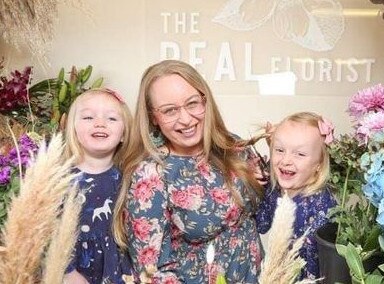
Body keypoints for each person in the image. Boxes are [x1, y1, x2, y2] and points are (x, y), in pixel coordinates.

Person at [113, 60, 264, 283]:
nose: (185, 119)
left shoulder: (234, 146)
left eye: (192, 104)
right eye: (170, 110)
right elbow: (153, 272)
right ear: (153, 117)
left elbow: (270, 212)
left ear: (205, 101)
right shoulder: (150, 174)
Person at [63, 88, 134, 284]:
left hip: (118, 272)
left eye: (111, 119)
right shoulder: (59, 180)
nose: (100, 123)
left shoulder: (130, 179)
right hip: (72, 272)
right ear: (73, 129)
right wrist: (67, 273)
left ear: (123, 134)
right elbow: (46, 233)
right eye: (88, 117)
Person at [256, 111, 337, 280]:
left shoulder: (322, 206)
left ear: (319, 164)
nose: (285, 160)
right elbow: (261, 224)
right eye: (279, 150)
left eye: (299, 154)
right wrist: (258, 183)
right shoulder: (275, 188)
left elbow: (318, 270)